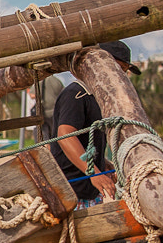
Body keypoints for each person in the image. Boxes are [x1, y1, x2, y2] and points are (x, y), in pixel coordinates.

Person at [46, 41, 142, 207]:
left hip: (88, 191)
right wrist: (94, 173)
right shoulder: (76, 94)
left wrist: (102, 163)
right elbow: (65, 135)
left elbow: (87, 141)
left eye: (124, 73)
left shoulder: (97, 98)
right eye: (119, 70)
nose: (121, 78)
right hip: (71, 191)